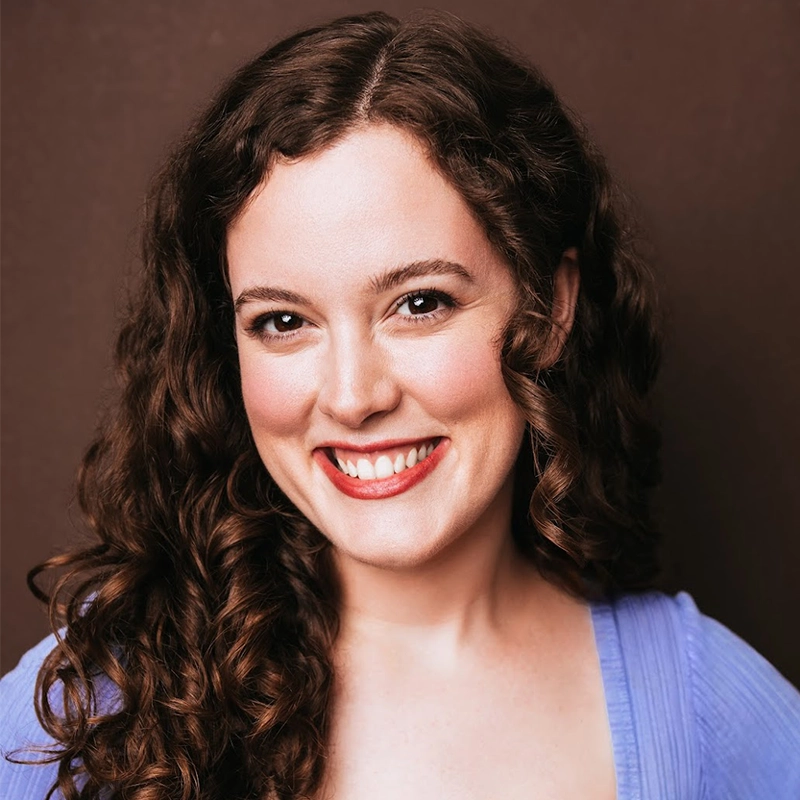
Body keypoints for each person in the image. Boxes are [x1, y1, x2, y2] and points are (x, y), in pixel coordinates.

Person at [2, 9, 799, 800]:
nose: (353, 397)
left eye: (420, 304)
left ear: (550, 310)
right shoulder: (99, 698)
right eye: (283, 322)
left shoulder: (703, 714)